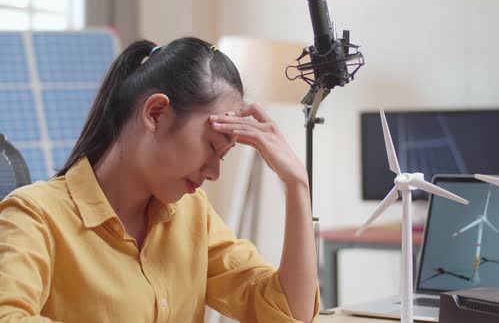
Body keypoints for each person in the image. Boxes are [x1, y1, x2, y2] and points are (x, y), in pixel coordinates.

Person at [0, 37, 319, 322]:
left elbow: (290, 314)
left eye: (222, 155)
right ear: (155, 113)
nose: (214, 173)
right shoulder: (33, 216)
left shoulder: (192, 215)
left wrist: (296, 186)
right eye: (210, 145)